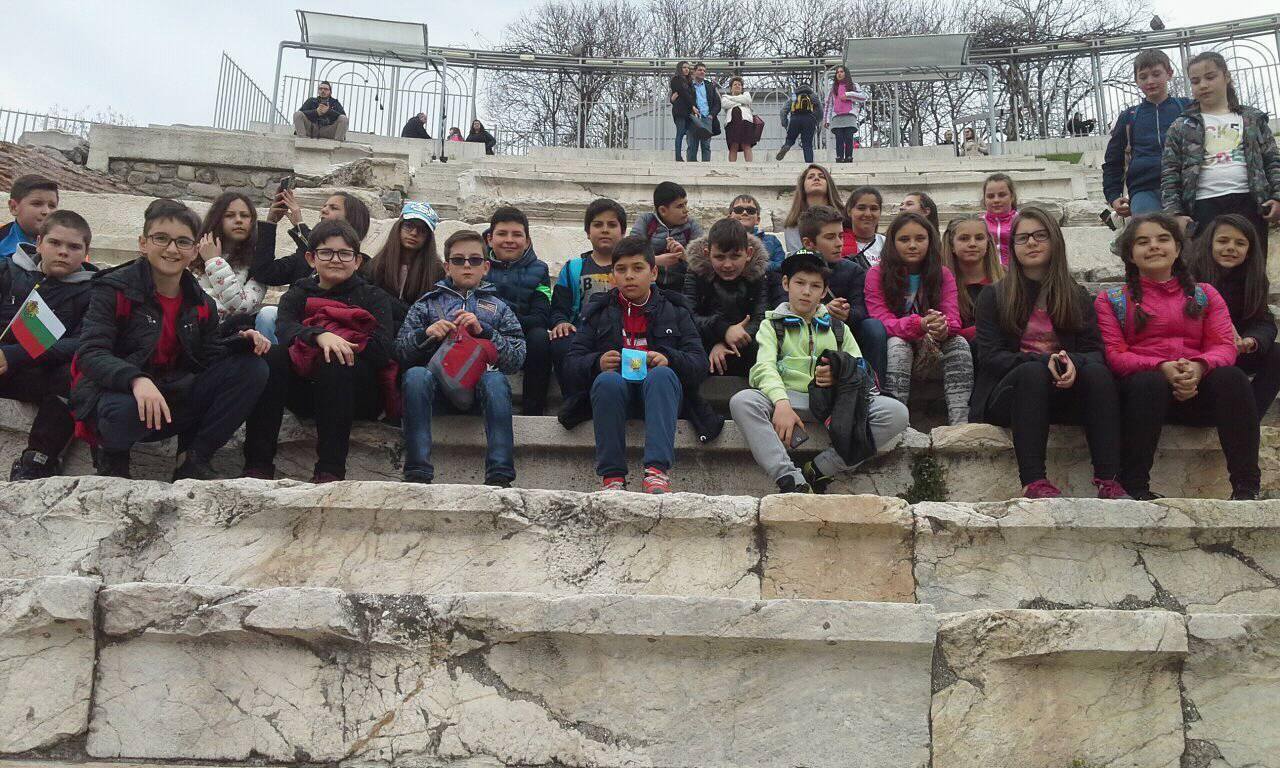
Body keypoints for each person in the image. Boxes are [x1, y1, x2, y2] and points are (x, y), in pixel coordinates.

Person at [71, 199, 270, 480]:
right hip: (121, 398)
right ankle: (113, 455)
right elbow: (91, 352)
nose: (172, 249)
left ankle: (194, 458)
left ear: (194, 250)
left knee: (251, 367)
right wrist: (136, 380)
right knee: (123, 411)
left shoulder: (200, 302)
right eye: (161, 238)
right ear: (143, 243)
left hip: (172, 395)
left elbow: (208, 356)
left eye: (183, 242)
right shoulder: (114, 289)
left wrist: (240, 340)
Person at [1097, 213, 1259, 500]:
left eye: (1163, 239)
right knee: (1148, 383)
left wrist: (1198, 367)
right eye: (1143, 242)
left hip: (1197, 391)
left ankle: (1246, 487)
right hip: (1143, 399)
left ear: (1178, 248)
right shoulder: (1111, 300)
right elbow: (1115, 355)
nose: (1154, 246)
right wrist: (1162, 367)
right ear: (1131, 255)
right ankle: (1135, 486)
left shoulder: (1205, 294)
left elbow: (1224, 345)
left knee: (1232, 378)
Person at [970, 207, 1127, 499]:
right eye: (1022, 238)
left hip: (1065, 391)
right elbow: (991, 357)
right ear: (1013, 246)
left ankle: (1109, 479)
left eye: (1040, 236)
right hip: (1012, 395)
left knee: (1096, 372)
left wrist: (1071, 363)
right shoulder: (994, 295)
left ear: (1055, 241)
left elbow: (1095, 351)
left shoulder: (1076, 295)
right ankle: (1033, 481)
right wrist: (1045, 362)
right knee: (1033, 372)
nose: (1031, 242)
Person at [728, 251, 909, 494]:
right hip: (789, 398)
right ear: (785, 284)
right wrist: (781, 403)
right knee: (743, 401)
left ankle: (820, 468)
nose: (806, 292)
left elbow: (860, 370)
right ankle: (790, 479)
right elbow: (764, 367)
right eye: (800, 283)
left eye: (815, 286)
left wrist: (838, 376)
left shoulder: (838, 328)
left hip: (833, 403)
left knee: (896, 412)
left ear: (824, 292)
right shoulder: (771, 325)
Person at [242, 219, 395, 483]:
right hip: (306, 390)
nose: (335, 259)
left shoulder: (373, 296)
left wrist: (341, 341)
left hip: (355, 394)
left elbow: (383, 349)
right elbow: (285, 330)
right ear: (311, 258)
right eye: (326, 253)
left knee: (334, 358)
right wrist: (319, 335)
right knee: (272, 357)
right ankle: (258, 464)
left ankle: (330, 469)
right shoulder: (298, 294)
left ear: (357, 261)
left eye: (344, 254)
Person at [558, 234, 708, 493]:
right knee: (607, 380)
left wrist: (670, 359)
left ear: (653, 273)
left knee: (662, 375)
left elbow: (699, 363)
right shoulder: (598, 311)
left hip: (662, 398)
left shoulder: (675, 309)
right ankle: (612, 477)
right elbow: (570, 364)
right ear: (612, 277)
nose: (629, 276)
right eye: (621, 269)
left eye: (638, 268)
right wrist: (597, 363)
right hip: (616, 398)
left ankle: (656, 473)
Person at [396, 229, 525, 486]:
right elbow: (400, 351)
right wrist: (425, 334)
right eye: (458, 260)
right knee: (415, 375)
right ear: (447, 266)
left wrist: (485, 332)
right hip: (436, 391)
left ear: (485, 267)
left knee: (495, 380)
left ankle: (500, 474)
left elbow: (517, 358)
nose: (467, 265)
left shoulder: (499, 308)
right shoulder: (426, 304)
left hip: (481, 393)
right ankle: (417, 471)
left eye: (474, 260)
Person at [1, 210, 98, 480]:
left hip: (42, 374)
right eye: (55, 243)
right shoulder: (7, 271)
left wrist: (14, 355)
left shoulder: (94, 292)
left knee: (76, 374)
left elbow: (83, 343)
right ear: (39, 242)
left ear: (86, 252)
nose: (63, 252)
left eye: (74, 247)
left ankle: (37, 461)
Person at [1161, 51, 1280, 252]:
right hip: (1202, 206)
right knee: (1206, 265)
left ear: (1226, 76)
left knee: (1252, 263)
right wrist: (1175, 214)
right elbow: (1169, 172)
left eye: (1210, 77)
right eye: (1195, 81)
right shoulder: (1181, 125)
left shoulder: (1253, 119)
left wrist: (1277, 197)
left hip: (1250, 202)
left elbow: (1272, 160)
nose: (1203, 85)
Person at [866, 212, 973, 425]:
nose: (913, 245)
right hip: (895, 346)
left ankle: (960, 423)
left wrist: (942, 326)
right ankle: (898, 424)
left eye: (920, 238)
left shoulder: (943, 274)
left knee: (959, 342)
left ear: (930, 241)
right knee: (898, 345)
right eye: (904, 239)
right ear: (892, 243)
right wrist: (918, 324)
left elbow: (953, 318)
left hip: (932, 346)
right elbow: (880, 319)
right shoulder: (876, 274)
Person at [1191, 214, 1280, 417]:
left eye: (1240, 243)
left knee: (1277, 353)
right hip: (1198, 355)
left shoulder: (1254, 279)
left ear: (1249, 252)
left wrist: (1251, 340)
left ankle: (1249, 419)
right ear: (1209, 244)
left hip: (1236, 352)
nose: (1231, 248)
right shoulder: (1190, 275)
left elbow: (1264, 320)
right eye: (1223, 241)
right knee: (1227, 373)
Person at [253, 190, 372, 341]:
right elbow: (265, 272)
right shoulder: (304, 258)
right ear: (311, 258)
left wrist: (300, 225)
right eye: (324, 206)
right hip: (296, 336)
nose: (324, 210)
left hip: (339, 338)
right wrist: (271, 223)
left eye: (333, 208)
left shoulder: (363, 266)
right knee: (268, 315)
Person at [798, 205, 888, 382]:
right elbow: (784, 307)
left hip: (844, 335)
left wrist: (847, 314)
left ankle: (874, 386)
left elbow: (862, 310)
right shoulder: (792, 269)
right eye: (830, 237)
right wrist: (822, 310)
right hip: (803, 334)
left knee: (873, 327)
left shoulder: (853, 270)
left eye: (841, 236)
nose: (839, 243)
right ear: (808, 243)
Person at [551, 198, 627, 401]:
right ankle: (573, 401)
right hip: (584, 334)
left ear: (623, 232)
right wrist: (561, 322)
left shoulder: (631, 269)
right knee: (561, 343)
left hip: (621, 334)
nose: (605, 230)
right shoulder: (573, 268)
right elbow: (559, 307)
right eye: (598, 224)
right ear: (587, 232)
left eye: (612, 225)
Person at [1103, 50, 1193, 218]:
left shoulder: (1188, 108)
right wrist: (1113, 196)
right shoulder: (1129, 117)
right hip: (1144, 189)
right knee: (1148, 232)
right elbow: (1113, 161)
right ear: (1136, 80)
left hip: (1186, 185)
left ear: (1169, 74)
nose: (1150, 81)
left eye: (1156, 74)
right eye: (1143, 77)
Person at [484, 206, 553, 415]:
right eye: (502, 234)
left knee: (540, 337)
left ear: (527, 241)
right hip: (483, 331)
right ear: (489, 239)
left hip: (521, 335)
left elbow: (541, 316)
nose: (509, 240)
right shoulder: (476, 264)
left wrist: (507, 323)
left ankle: (533, 412)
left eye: (516, 234)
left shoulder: (540, 269)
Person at [683, 218, 768, 377]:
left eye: (735, 257)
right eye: (720, 257)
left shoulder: (758, 275)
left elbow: (761, 318)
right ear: (707, 254)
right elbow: (688, 316)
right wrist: (723, 330)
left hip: (745, 347)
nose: (727, 265)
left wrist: (727, 341)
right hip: (706, 345)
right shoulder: (696, 274)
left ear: (749, 254)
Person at [370, 201, 446, 324]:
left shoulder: (436, 271)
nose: (414, 233)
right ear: (398, 227)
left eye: (422, 230)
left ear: (428, 238)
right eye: (409, 226)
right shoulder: (377, 264)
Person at [193, 192, 266, 320]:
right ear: (217, 219)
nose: (238, 220)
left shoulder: (258, 262)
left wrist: (214, 262)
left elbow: (241, 307)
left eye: (245, 215)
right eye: (229, 215)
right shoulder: (194, 254)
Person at [629, 181, 703, 291]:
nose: (686, 210)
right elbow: (630, 252)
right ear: (663, 210)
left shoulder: (691, 225)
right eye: (680, 206)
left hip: (683, 288)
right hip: (649, 287)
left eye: (685, 204)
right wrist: (656, 260)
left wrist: (684, 256)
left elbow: (704, 262)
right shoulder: (646, 221)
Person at [942, 214, 1005, 341]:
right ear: (952, 245)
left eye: (979, 238)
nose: (972, 244)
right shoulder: (940, 282)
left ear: (988, 243)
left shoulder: (1008, 277)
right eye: (964, 239)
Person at [782, 164, 844, 254]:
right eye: (810, 177)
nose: (816, 178)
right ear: (803, 186)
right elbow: (796, 254)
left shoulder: (844, 217)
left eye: (821, 177)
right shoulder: (793, 223)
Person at [1, 175, 59, 260]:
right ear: (14, 207)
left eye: (52, 206)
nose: (46, 211)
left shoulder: (69, 245)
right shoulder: (3, 246)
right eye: (37, 204)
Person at [728, 194, 785, 272]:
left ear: (757, 220)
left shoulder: (772, 240)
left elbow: (781, 266)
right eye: (738, 210)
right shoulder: (720, 239)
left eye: (750, 210)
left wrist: (753, 263)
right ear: (729, 217)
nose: (744, 213)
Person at [824, 66, 869, 164]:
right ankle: (839, 157)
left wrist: (848, 95)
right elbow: (828, 104)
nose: (839, 74)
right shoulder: (833, 88)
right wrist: (826, 119)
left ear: (846, 73)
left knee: (849, 137)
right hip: (837, 116)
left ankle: (849, 157)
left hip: (849, 115)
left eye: (841, 72)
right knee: (839, 138)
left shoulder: (853, 86)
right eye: (837, 72)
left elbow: (863, 97)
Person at [777, 81, 822, 163]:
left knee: (790, 139)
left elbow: (783, 110)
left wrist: (785, 124)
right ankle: (809, 164)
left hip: (795, 119)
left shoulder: (794, 96)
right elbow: (820, 111)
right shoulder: (812, 95)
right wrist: (815, 122)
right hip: (809, 119)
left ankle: (786, 146)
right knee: (807, 144)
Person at [842, 186, 886, 268]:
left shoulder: (888, 244)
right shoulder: (838, 243)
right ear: (849, 211)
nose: (868, 214)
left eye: (874, 209)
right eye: (861, 208)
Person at [686, 62, 722, 163]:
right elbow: (683, 101)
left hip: (707, 119)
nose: (702, 72)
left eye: (704, 71)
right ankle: (691, 169)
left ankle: (706, 169)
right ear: (694, 72)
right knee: (692, 146)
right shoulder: (688, 86)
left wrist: (711, 115)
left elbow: (717, 104)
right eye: (700, 70)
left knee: (706, 146)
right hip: (693, 119)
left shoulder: (710, 86)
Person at [982, 173, 1019, 265]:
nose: (996, 200)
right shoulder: (979, 223)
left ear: (1012, 196)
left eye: (1002, 195)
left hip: (1016, 271)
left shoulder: (1021, 221)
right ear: (984, 199)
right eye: (990, 196)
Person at [721, 76, 760, 163]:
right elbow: (725, 104)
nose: (737, 86)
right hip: (731, 124)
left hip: (746, 123)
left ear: (742, 87)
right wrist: (740, 102)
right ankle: (732, 167)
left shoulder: (746, 94)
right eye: (735, 84)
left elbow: (747, 100)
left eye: (739, 84)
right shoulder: (725, 97)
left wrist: (732, 99)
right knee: (733, 145)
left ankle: (749, 166)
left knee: (746, 144)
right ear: (731, 88)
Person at [669, 61, 696, 162]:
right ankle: (678, 156)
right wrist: (692, 105)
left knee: (691, 133)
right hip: (680, 111)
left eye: (688, 68)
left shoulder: (690, 82)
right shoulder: (676, 79)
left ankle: (692, 157)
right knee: (680, 133)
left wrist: (693, 106)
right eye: (684, 67)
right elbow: (682, 93)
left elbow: (692, 96)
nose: (686, 69)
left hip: (689, 111)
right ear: (679, 68)